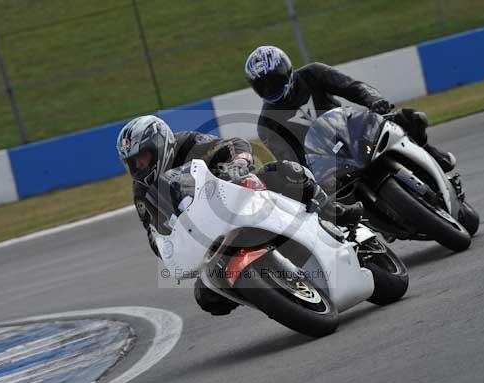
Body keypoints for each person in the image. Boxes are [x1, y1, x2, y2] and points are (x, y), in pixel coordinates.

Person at [116, 115, 363, 316]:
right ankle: (269, 292)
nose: (139, 167)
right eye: (132, 163)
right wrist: (165, 247)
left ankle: (334, 212)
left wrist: (237, 162)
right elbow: (155, 233)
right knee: (207, 297)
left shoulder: (187, 143)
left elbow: (233, 145)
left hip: (235, 195)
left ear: (160, 145)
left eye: (143, 157)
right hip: (209, 236)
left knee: (284, 172)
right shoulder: (142, 192)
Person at [245, 45, 456, 172]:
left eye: (274, 80)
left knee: (407, 118)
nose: (269, 87)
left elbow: (353, 87)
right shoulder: (267, 123)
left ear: (286, 69)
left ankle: (432, 154)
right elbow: (288, 159)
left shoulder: (313, 73)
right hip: (325, 165)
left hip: (352, 130)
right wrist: (299, 172)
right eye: (262, 85)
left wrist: (375, 100)